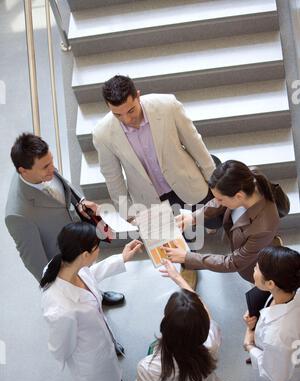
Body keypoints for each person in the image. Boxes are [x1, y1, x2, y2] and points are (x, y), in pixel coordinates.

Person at [40, 222, 144, 381]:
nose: (99, 251)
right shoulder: (61, 308)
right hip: (88, 361)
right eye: (98, 248)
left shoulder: (70, 266)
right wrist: (83, 358)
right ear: (85, 253)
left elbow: (91, 275)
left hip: (100, 346)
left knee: (111, 372)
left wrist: (121, 258)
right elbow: (60, 347)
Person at [5, 133, 124, 306]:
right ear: (23, 170)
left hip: (77, 241)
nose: (52, 169)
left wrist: (80, 202)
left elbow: (64, 185)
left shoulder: (43, 168)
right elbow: (34, 262)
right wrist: (57, 291)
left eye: (52, 161)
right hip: (63, 261)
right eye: (46, 166)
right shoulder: (18, 215)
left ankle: (96, 292)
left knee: (88, 274)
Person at [136, 260, 237, 381]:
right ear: (203, 326)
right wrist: (179, 278)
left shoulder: (149, 368)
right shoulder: (210, 341)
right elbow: (204, 310)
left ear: (165, 325)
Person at [93, 74, 218, 220]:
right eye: (118, 115)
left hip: (187, 183)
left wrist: (215, 182)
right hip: (149, 202)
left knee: (212, 220)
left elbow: (194, 143)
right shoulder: (102, 134)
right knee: (179, 240)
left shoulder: (168, 106)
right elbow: (113, 178)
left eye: (131, 111)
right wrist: (127, 215)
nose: (126, 119)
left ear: (138, 96)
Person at [165, 160, 280, 283]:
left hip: (252, 265)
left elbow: (233, 263)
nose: (217, 201)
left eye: (220, 199)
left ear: (239, 196)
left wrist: (188, 257)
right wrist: (193, 218)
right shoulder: (247, 181)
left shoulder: (263, 227)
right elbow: (218, 201)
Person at [243, 246, 300, 381]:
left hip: (288, 368)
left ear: (270, 284)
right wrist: (255, 324)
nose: (254, 269)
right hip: (291, 352)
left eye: (257, 268)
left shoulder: (277, 336)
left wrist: (250, 345)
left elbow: (275, 373)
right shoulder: (291, 293)